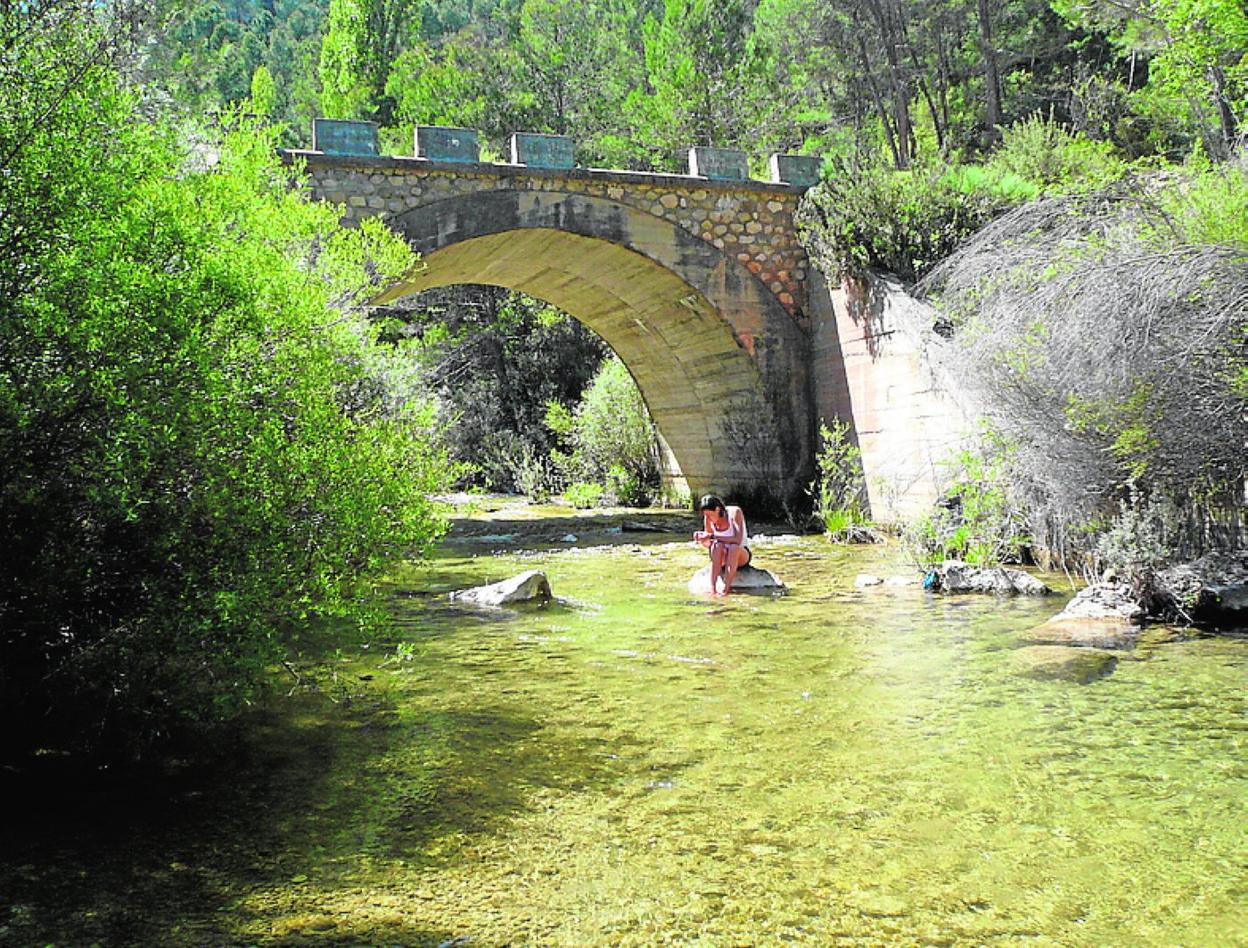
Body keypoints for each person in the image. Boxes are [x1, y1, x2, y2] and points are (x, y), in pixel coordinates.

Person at [693, 494, 751, 596]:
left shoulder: (734, 512)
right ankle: (713, 588)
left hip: (739, 554)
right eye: (706, 515)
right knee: (716, 545)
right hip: (721, 556)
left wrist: (713, 536)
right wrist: (702, 540)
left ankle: (725, 588)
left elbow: (737, 540)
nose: (708, 518)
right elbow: (710, 543)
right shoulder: (708, 519)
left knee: (733, 547)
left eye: (710, 515)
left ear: (717, 510)